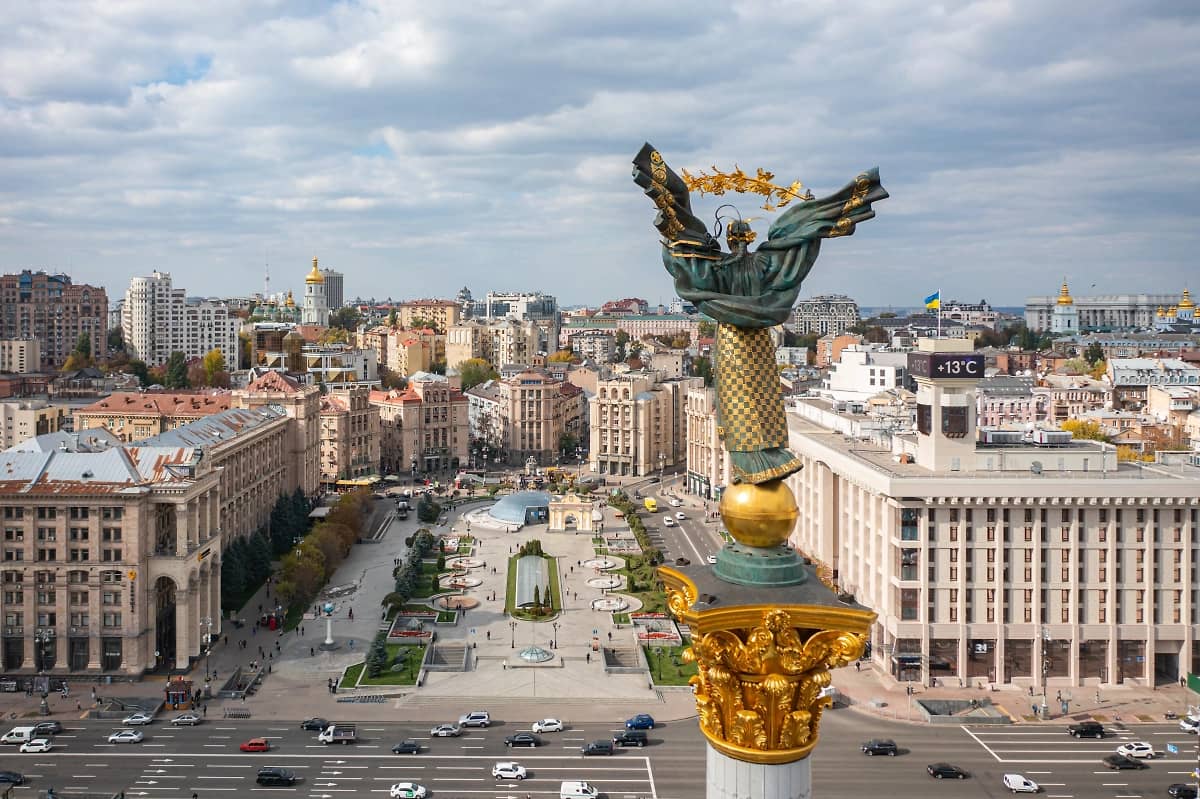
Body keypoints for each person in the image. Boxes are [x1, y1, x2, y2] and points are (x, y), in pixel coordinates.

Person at [632, 144, 886, 484]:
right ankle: (767, 451)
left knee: (739, 395)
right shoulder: (766, 262)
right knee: (762, 391)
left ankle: (752, 459)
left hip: (733, 340)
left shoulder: (718, 268)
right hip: (760, 340)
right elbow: (794, 254)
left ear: (729, 240)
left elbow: (685, 259)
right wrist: (810, 217)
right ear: (749, 238)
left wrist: (674, 225)